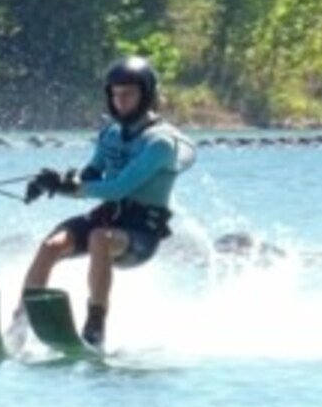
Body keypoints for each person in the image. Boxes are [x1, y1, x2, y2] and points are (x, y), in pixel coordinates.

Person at [12, 55, 196, 348]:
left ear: (146, 95)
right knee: (51, 246)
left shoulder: (160, 144)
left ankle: (95, 326)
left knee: (99, 238)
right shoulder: (110, 133)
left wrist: (73, 187)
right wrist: (54, 182)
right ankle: (18, 324)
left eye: (128, 94)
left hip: (140, 234)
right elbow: (91, 174)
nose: (120, 101)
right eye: (115, 94)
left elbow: (118, 188)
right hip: (108, 218)